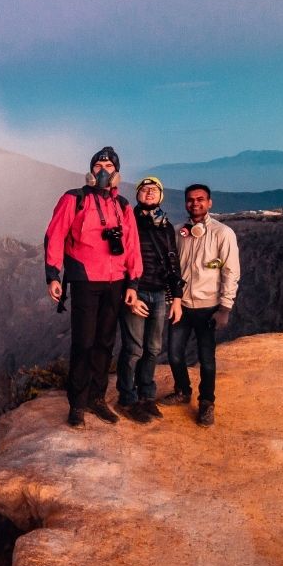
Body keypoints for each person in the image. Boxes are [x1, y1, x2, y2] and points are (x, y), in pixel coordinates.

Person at [44, 147, 142, 428]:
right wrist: (53, 274)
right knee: (84, 343)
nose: (103, 169)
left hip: (116, 282)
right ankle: (77, 403)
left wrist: (133, 281)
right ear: (91, 170)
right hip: (86, 280)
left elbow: (132, 244)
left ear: (117, 173)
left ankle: (96, 398)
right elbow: (55, 234)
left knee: (105, 343)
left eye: (109, 165)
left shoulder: (122, 205)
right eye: (98, 165)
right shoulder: (74, 199)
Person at [162, 183, 240, 427]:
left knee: (207, 360)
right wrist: (170, 300)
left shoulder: (223, 233)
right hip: (182, 306)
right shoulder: (178, 232)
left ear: (209, 203)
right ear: (185, 203)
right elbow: (171, 270)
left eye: (200, 199)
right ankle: (183, 391)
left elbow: (230, 270)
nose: (195, 203)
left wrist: (225, 307)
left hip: (208, 306)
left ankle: (207, 402)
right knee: (175, 354)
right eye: (190, 200)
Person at [116, 177, 183, 424]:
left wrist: (176, 297)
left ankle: (146, 396)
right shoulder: (128, 221)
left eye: (154, 190)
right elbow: (120, 261)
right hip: (136, 293)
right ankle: (127, 399)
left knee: (153, 349)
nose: (149, 193)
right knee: (134, 349)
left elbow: (173, 261)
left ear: (161, 195)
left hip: (159, 294)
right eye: (144, 190)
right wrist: (129, 295)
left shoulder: (165, 226)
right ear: (137, 195)